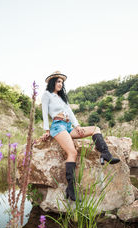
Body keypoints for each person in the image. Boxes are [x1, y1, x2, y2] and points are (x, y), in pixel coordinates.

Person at [41, 71, 120, 201]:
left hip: (68, 127)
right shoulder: (47, 95)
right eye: (58, 81)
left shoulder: (62, 97)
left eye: (62, 82)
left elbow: (70, 113)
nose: (60, 84)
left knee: (95, 129)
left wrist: (77, 126)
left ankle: (105, 154)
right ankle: (70, 189)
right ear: (52, 82)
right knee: (72, 152)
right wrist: (46, 130)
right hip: (57, 126)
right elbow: (44, 112)